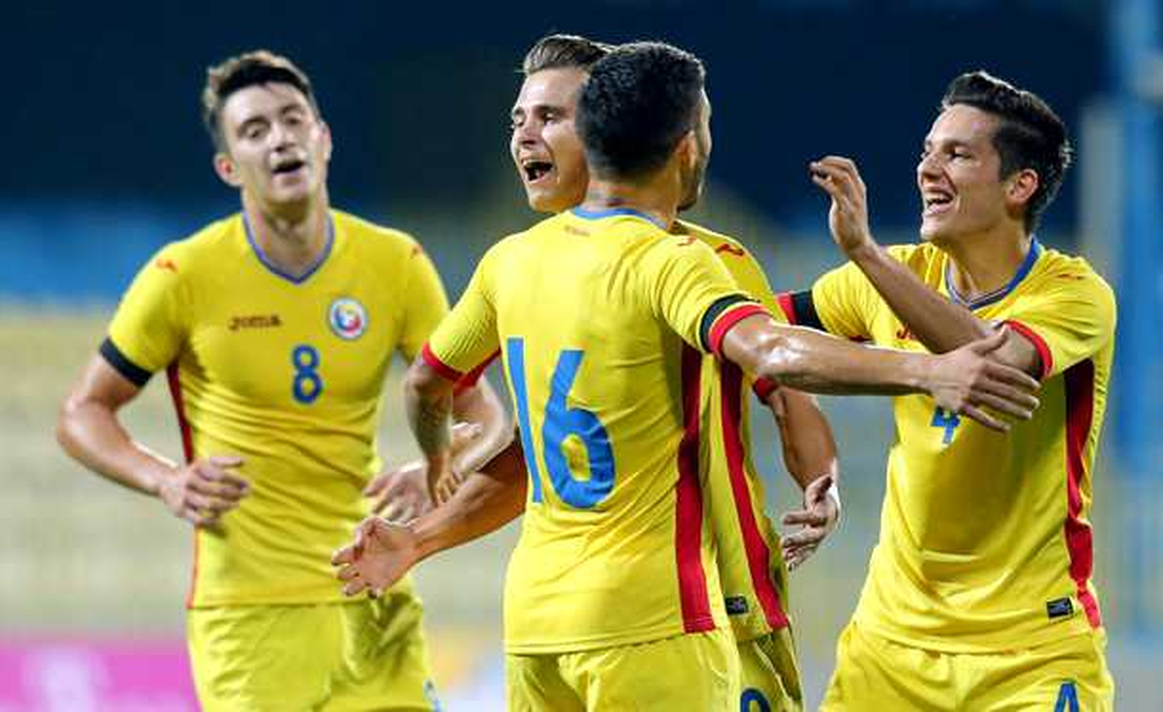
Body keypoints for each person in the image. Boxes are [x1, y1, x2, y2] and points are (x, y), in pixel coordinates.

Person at [335, 43, 1040, 711]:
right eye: (521, 118)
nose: (527, 136)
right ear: (684, 145)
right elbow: (772, 351)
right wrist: (929, 371)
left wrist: (429, 504)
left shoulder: (514, 264)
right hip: (671, 611)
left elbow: (472, 412)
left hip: (547, 619)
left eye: (549, 116)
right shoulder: (673, 265)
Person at [55, 49, 511, 711]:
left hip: (372, 596)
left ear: (323, 138)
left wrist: (443, 460)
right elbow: (82, 411)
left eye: (293, 120)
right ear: (228, 166)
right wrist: (165, 478)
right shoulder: (183, 275)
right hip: (249, 619)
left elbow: (485, 414)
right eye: (254, 130)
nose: (280, 139)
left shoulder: (395, 263)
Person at [789, 70, 1116, 710]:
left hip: (1030, 653)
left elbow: (990, 367)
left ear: (1019, 186)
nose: (927, 170)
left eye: (957, 155)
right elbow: (758, 338)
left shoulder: (1075, 294)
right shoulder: (898, 274)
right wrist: (818, 462)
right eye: (927, 152)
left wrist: (865, 253)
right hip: (890, 648)